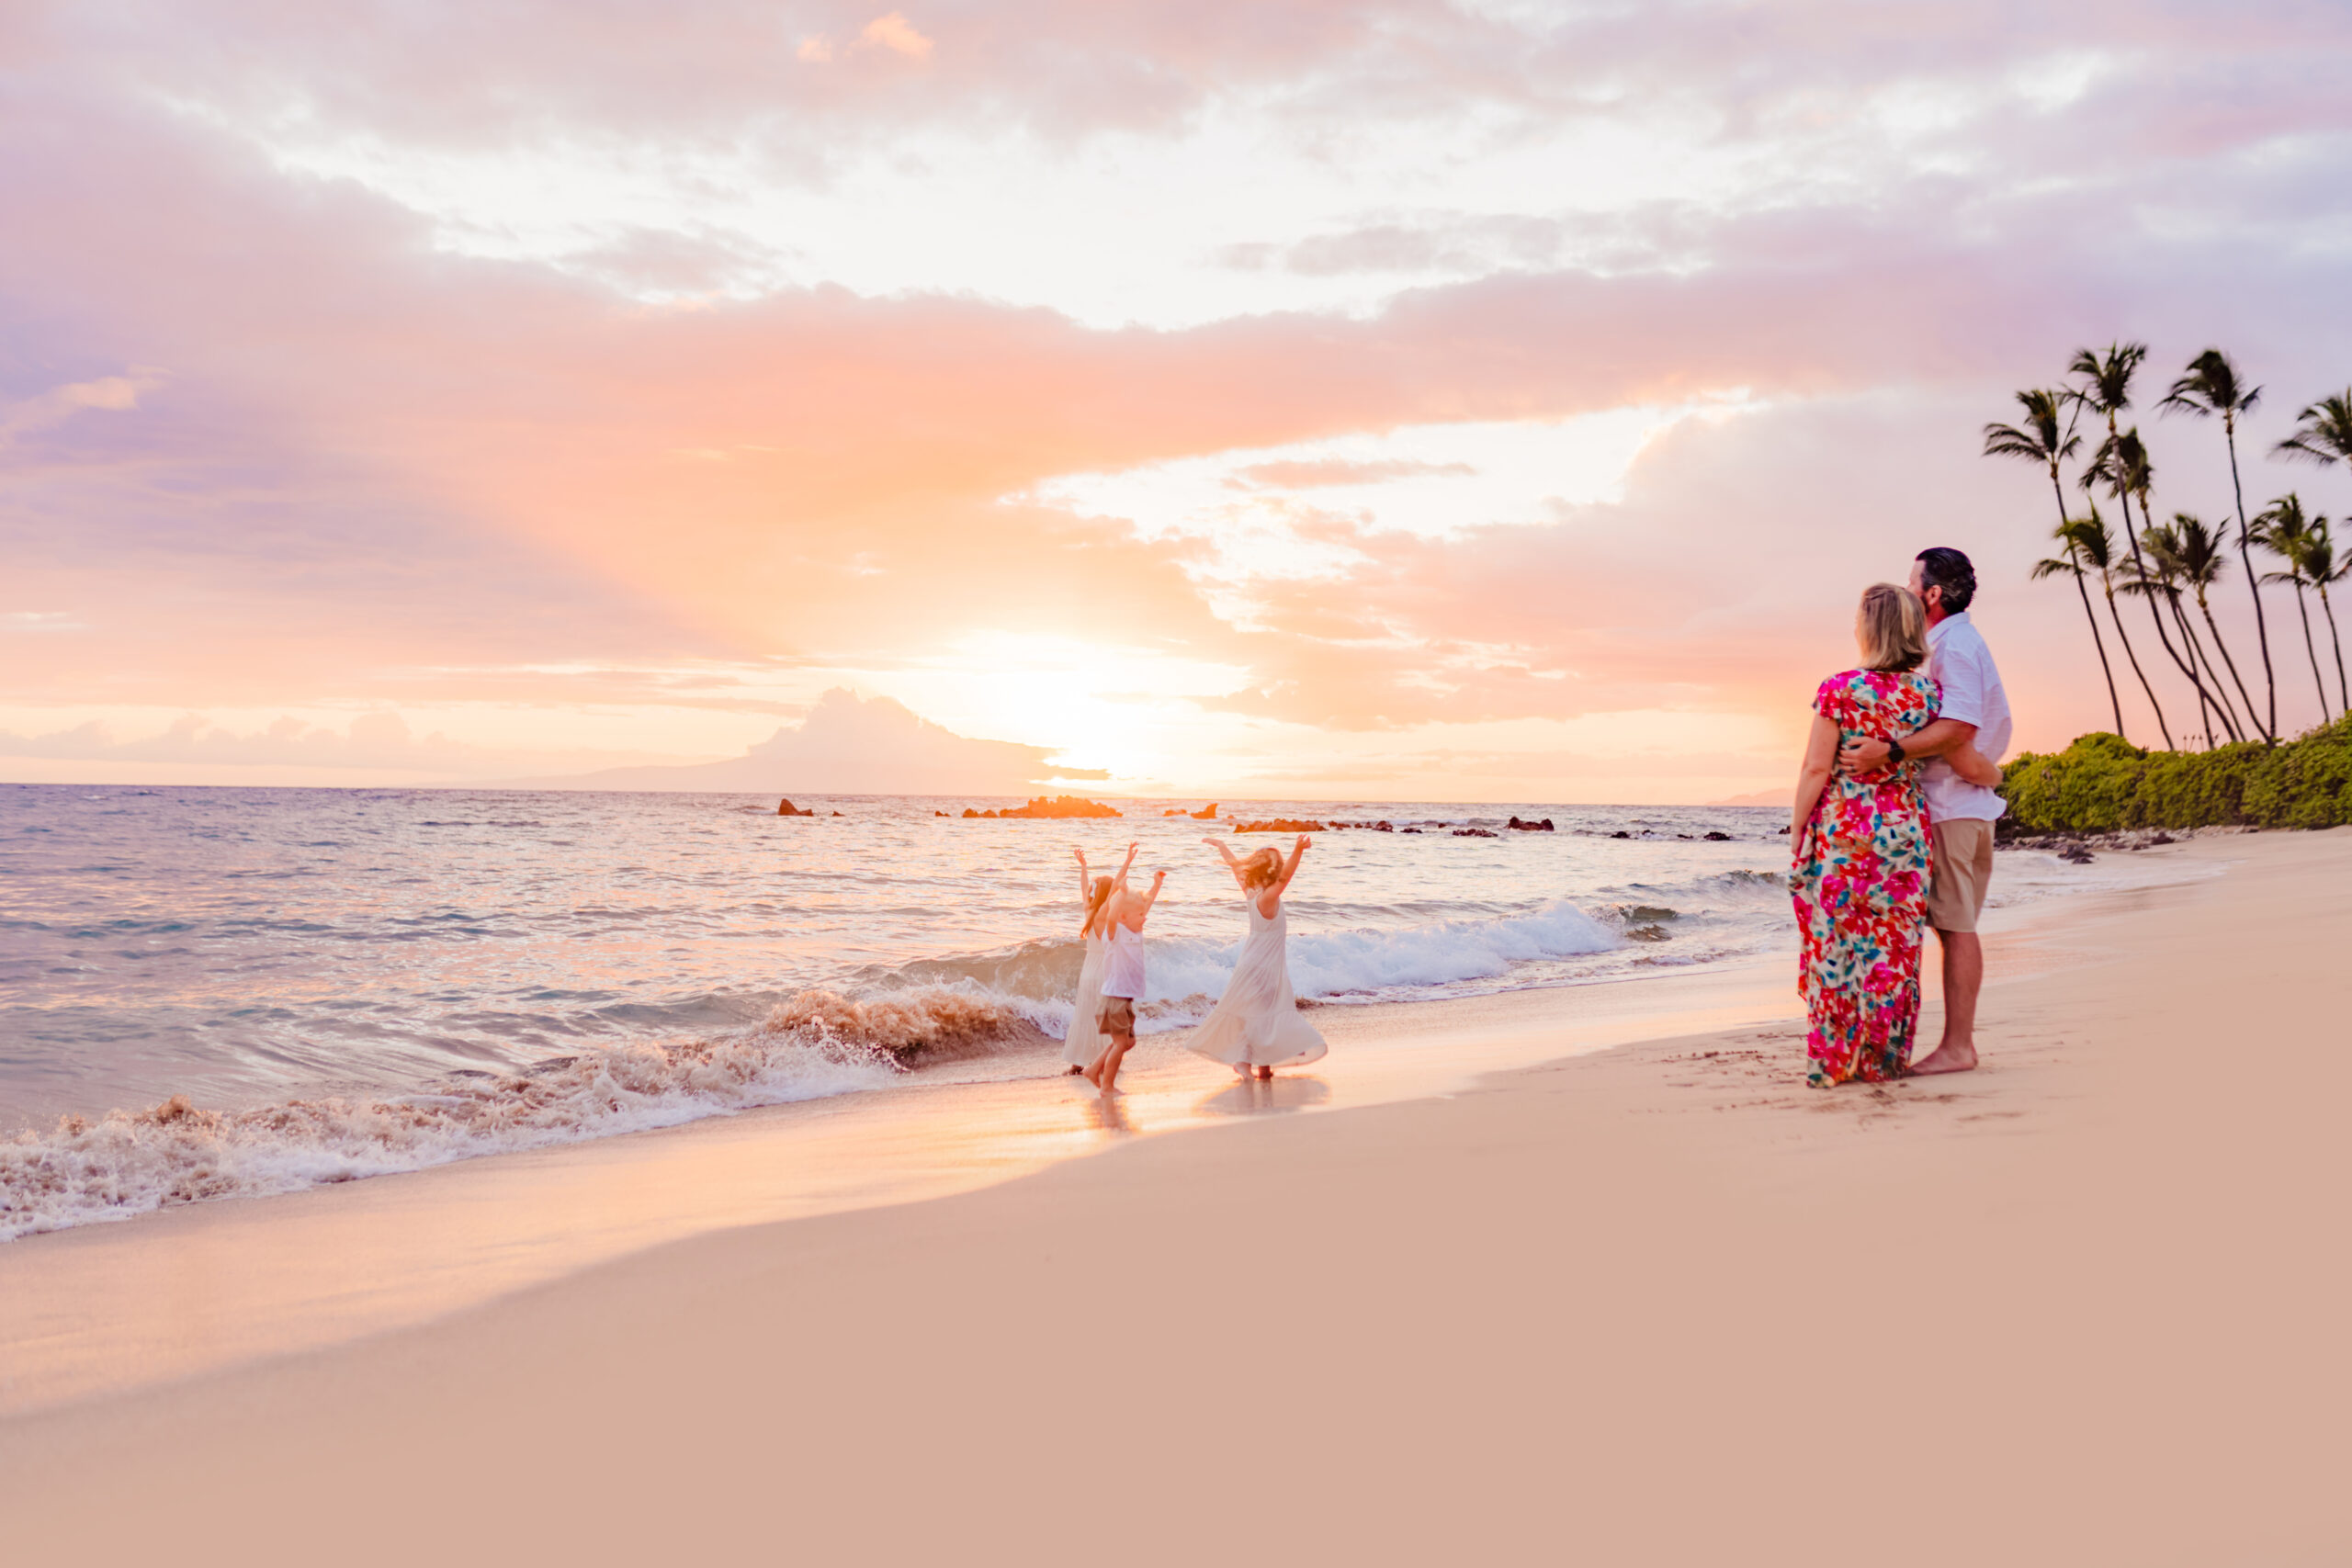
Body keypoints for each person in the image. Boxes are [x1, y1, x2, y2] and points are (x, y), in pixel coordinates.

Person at [1838, 547, 2011, 1076]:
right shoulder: (1947, 642)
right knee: (1951, 925)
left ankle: (1959, 1047)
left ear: (1933, 594)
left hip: (1953, 806)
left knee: (1956, 926)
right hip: (1958, 802)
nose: (1907, 590)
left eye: (1913, 583)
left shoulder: (1953, 645)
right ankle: (1947, 1043)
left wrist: (1887, 751)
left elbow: (1959, 730)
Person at [1790, 584, 1942, 1085]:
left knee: (1838, 945)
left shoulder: (1839, 689)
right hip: (1904, 835)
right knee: (1894, 950)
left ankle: (1834, 1060)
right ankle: (1884, 1060)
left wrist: (1796, 834)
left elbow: (1816, 769)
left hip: (1846, 834)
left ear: (1868, 628)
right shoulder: (1928, 694)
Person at [1186, 834, 1328, 1079]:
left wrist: (1222, 847)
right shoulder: (1267, 899)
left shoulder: (1252, 892)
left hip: (1254, 962)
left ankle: (1263, 1066)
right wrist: (1298, 850)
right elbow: (1287, 877)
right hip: (1262, 966)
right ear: (1272, 872)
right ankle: (1242, 1061)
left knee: (1263, 1015)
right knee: (1262, 1015)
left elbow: (1235, 867)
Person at [1082, 860, 1166, 1095]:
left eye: (1143, 914)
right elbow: (1111, 916)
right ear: (1122, 917)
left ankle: (1093, 1070)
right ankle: (1107, 1086)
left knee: (1128, 1043)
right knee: (1121, 1044)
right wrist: (1121, 892)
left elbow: (1145, 904)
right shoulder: (1115, 934)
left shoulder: (1135, 931)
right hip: (1114, 998)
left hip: (1124, 998)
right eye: (1139, 914)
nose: (1144, 917)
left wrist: (1156, 885)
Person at [1062, 844, 1136, 1075]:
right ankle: (1106, 1060)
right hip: (1105, 971)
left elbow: (1084, 889)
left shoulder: (1090, 911)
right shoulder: (1105, 913)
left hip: (1088, 972)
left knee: (1084, 1016)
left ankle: (1078, 1063)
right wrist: (1127, 861)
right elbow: (1115, 887)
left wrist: (1083, 867)